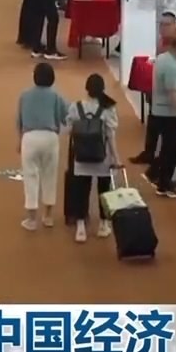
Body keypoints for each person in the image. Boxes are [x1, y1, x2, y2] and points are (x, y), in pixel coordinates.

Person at [65, 73, 120, 243]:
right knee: (104, 190)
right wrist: (116, 158)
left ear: (86, 89)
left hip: (81, 157)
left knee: (81, 191)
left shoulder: (75, 107)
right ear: (103, 89)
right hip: (102, 157)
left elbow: (68, 130)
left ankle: (81, 228)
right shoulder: (108, 109)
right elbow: (110, 135)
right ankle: (103, 224)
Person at [16, 62, 70, 231]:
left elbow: (19, 121)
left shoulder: (24, 96)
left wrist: (19, 141)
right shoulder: (56, 96)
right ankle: (48, 216)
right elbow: (67, 116)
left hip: (29, 137)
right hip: (50, 137)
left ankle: (32, 219)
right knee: (50, 175)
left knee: (30, 177)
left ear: (35, 77)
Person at [144, 36, 176, 199]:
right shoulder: (171, 66)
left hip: (160, 111)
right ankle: (164, 184)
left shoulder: (163, 58)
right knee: (171, 150)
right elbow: (173, 94)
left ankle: (154, 173)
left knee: (167, 148)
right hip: (170, 114)